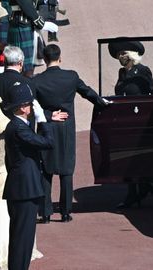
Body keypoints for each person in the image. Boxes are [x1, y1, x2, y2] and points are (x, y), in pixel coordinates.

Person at [33, 44, 109, 223]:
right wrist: (102, 103)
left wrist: (50, 115)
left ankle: (45, 213)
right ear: (60, 58)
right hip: (66, 128)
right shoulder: (71, 77)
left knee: (46, 171)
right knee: (66, 171)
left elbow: (32, 107)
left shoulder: (37, 81)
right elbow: (87, 92)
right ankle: (66, 212)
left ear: (44, 60)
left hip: (47, 127)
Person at [2, 82, 54, 270]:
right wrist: (42, 121)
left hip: (22, 188)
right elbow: (48, 142)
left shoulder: (16, 125)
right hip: (25, 191)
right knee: (22, 240)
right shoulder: (19, 128)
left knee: (21, 239)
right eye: (29, 104)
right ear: (23, 107)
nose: (31, 107)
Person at [108, 39, 153, 208]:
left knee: (138, 157)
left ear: (131, 54)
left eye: (123, 53)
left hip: (140, 120)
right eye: (118, 54)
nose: (120, 56)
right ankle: (138, 189)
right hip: (125, 120)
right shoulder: (122, 73)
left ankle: (140, 188)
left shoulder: (143, 71)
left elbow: (152, 92)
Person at [0, 45, 68, 123]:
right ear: (20, 63)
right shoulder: (27, 82)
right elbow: (33, 107)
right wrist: (49, 115)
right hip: (22, 126)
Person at [2, 0, 58, 77]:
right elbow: (24, 2)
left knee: (30, 65)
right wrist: (40, 23)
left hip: (29, 22)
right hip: (21, 23)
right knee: (20, 66)